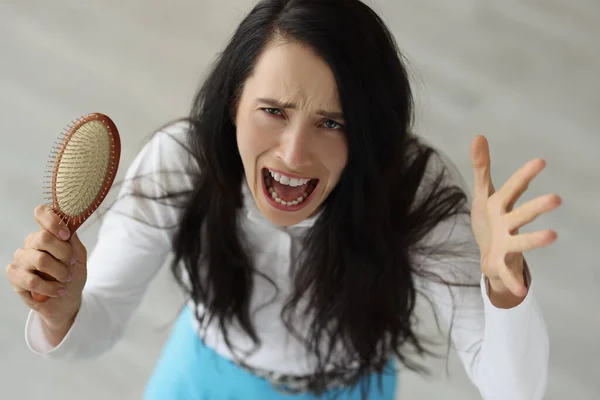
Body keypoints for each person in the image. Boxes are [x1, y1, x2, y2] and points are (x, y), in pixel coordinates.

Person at [6, 0, 561, 399]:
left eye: (333, 123)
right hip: (204, 380)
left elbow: (517, 390)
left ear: (370, 134)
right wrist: (62, 307)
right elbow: (89, 336)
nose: (294, 154)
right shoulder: (181, 160)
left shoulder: (411, 189)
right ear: (232, 104)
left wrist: (503, 288)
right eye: (273, 111)